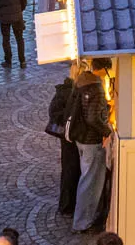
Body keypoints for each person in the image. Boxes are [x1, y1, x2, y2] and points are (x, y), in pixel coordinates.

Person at [69, 58, 114, 234]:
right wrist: (107, 131)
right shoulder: (94, 87)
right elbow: (93, 117)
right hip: (91, 140)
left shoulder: (82, 82)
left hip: (81, 138)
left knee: (86, 179)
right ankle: (82, 222)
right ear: (103, 69)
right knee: (90, 182)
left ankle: (82, 219)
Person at [48, 68, 80, 216]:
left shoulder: (65, 91)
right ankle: (68, 205)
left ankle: (68, 204)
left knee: (69, 169)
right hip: (70, 137)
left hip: (68, 137)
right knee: (71, 170)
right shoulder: (69, 93)